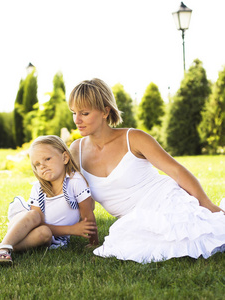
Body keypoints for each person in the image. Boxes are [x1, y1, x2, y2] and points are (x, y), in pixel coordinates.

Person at [68, 78, 225, 263]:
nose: (77, 120)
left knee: (200, 234)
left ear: (105, 111)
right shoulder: (76, 151)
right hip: (132, 220)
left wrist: (208, 205)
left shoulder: (134, 138)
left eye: (84, 113)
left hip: (166, 201)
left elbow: (176, 171)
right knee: (127, 242)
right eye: (74, 113)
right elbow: (78, 198)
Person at [0, 135, 98, 266]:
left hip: (49, 236)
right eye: (37, 164)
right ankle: (2, 248)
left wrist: (94, 243)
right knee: (34, 214)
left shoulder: (75, 181)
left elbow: (88, 216)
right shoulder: (38, 188)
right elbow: (36, 221)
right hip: (25, 225)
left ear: (64, 157)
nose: (43, 166)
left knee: (44, 233)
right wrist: (71, 230)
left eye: (47, 159)